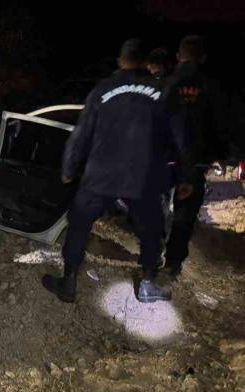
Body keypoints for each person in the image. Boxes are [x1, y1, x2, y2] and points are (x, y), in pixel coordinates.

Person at [42, 39, 192, 304]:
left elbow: (81, 134)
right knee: (151, 229)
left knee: (79, 224)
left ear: (121, 61)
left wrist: (69, 167)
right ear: (145, 62)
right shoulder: (163, 92)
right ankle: (146, 285)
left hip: (100, 174)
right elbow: (180, 139)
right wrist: (184, 177)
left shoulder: (103, 89)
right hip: (143, 177)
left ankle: (68, 282)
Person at [163, 35, 229, 277]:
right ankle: (172, 263)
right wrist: (220, 155)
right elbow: (219, 124)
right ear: (202, 58)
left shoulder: (165, 83)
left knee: (156, 206)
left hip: (164, 158)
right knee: (185, 215)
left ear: (179, 55)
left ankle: (150, 254)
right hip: (194, 161)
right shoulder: (211, 87)